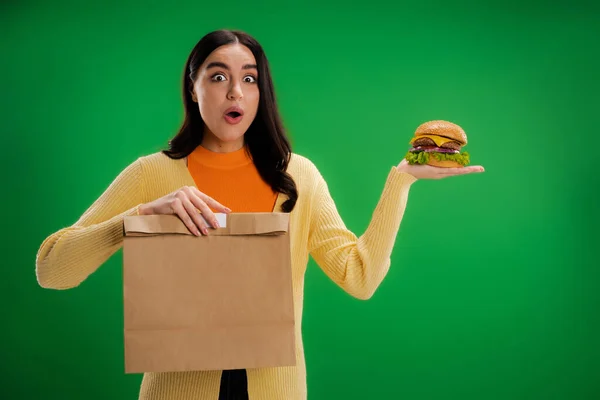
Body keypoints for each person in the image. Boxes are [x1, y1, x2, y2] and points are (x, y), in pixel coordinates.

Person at [35, 29, 484, 400]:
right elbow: (52, 269)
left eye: (249, 79)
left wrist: (400, 181)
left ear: (260, 92)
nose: (235, 91)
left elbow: (359, 278)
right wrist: (135, 220)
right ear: (192, 89)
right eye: (217, 76)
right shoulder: (152, 174)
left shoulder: (298, 177)